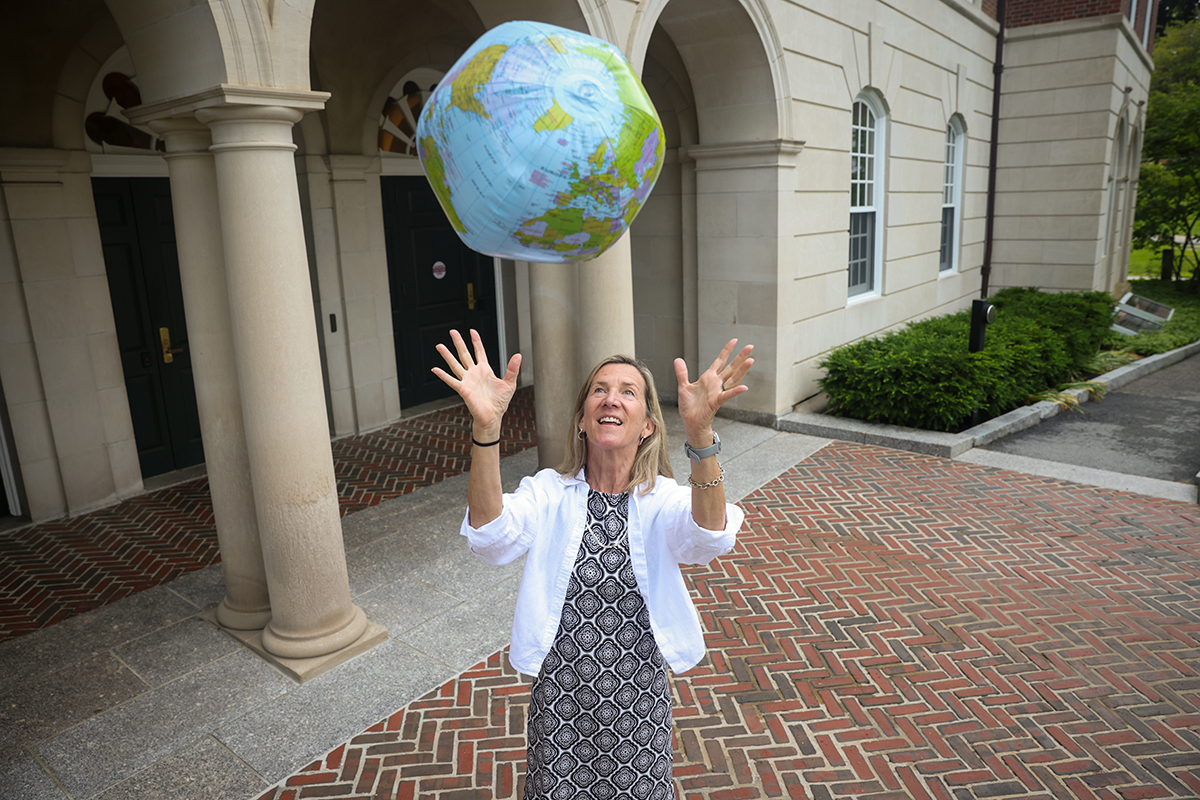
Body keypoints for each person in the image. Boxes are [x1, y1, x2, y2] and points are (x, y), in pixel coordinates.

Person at [432, 329, 754, 800]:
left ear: (647, 425)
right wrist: (486, 430)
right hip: (559, 702)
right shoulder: (548, 491)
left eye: (629, 392)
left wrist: (701, 437)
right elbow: (490, 537)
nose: (612, 399)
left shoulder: (661, 499)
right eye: (600, 390)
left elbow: (708, 536)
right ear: (583, 419)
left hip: (638, 702)